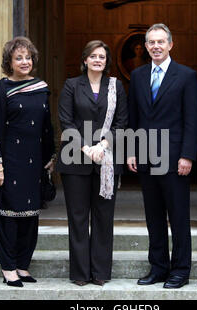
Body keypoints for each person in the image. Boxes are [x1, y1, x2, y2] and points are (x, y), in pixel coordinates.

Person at [0, 36, 55, 287]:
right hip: (8, 163)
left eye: (28, 57)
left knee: (30, 216)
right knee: (7, 216)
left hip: (33, 162)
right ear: (9, 61)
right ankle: (8, 268)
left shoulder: (40, 87)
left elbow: (46, 126)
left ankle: (22, 265)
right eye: (19, 58)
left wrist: (50, 156)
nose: (25, 61)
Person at [127, 23, 197, 289]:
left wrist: (188, 156)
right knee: (153, 216)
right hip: (146, 155)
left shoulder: (186, 76)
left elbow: (192, 119)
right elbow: (134, 117)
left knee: (179, 216)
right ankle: (158, 268)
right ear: (146, 47)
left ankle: (180, 270)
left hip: (174, 158)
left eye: (161, 42)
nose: (156, 46)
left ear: (171, 44)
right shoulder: (137, 76)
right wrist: (131, 151)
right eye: (151, 42)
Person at [56, 40, 128, 286]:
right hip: (76, 159)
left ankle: (100, 273)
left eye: (103, 57)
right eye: (94, 56)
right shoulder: (71, 85)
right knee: (78, 217)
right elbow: (66, 122)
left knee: (103, 218)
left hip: (107, 159)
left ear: (106, 62)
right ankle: (80, 274)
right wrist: (87, 148)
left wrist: (102, 146)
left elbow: (121, 123)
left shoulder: (115, 87)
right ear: (85, 59)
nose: (98, 60)